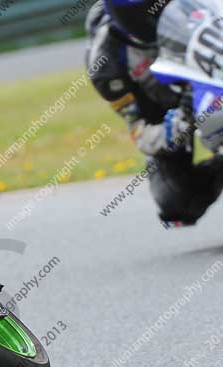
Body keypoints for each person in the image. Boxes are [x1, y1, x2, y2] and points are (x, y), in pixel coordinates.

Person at [86, 0, 223, 226]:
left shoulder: (193, 6)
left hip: (209, 78)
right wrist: (177, 124)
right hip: (167, 112)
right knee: (177, 202)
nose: (154, 14)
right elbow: (140, 132)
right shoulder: (106, 63)